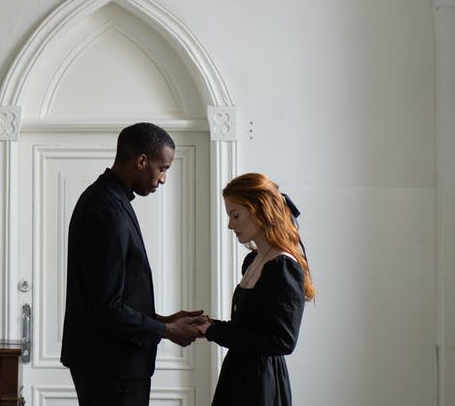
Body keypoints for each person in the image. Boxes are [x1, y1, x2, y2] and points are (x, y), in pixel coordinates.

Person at [61, 122, 206, 406]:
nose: (163, 178)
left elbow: (112, 298)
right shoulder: (106, 210)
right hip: (112, 367)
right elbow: (106, 308)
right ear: (141, 160)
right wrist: (166, 331)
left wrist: (164, 320)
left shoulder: (109, 201)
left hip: (111, 364)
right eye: (163, 168)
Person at [197, 173, 316, 406]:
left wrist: (215, 333)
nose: (230, 225)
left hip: (262, 384)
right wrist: (210, 326)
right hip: (238, 375)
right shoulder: (253, 261)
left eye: (235, 215)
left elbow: (282, 341)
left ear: (260, 211)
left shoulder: (283, 266)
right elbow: (250, 327)